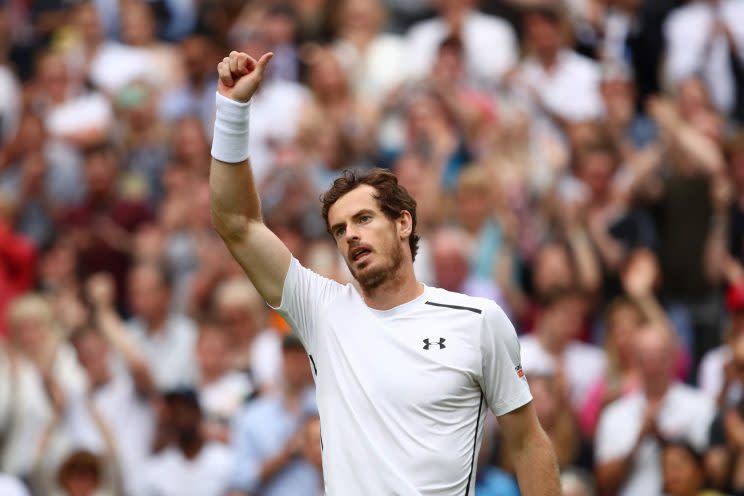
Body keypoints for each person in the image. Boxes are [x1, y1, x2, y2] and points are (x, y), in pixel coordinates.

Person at [209, 50, 559, 494]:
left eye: (363, 219)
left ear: (403, 223)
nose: (350, 235)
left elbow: (528, 443)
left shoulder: (479, 321)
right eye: (339, 229)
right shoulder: (322, 311)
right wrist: (232, 111)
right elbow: (237, 224)